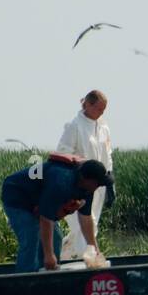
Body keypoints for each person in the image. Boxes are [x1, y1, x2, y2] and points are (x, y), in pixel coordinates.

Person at [2, 156, 112, 272]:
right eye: (98, 183)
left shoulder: (88, 188)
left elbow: (85, 218)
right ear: (86, 179)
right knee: (31, 235)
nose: (99, 186)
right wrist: (49, 255)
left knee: (57, 237)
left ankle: (47, 276)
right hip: (16, 195)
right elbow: (46, 219)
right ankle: (25, 280)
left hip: (39, 200)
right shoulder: (61, 181)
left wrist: (95, 250)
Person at [56, 90, 115, 260]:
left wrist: (110, 181)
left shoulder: (103, 126)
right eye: (98, 109)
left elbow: (107, 154)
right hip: (78, 185)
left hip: (98, 185)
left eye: (104, 110)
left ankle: (65, 257)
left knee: (92, 225)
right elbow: (63, 153)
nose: (101, 113)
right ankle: (88, 262)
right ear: (88, 105)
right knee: (81, 225)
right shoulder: (74, 126)